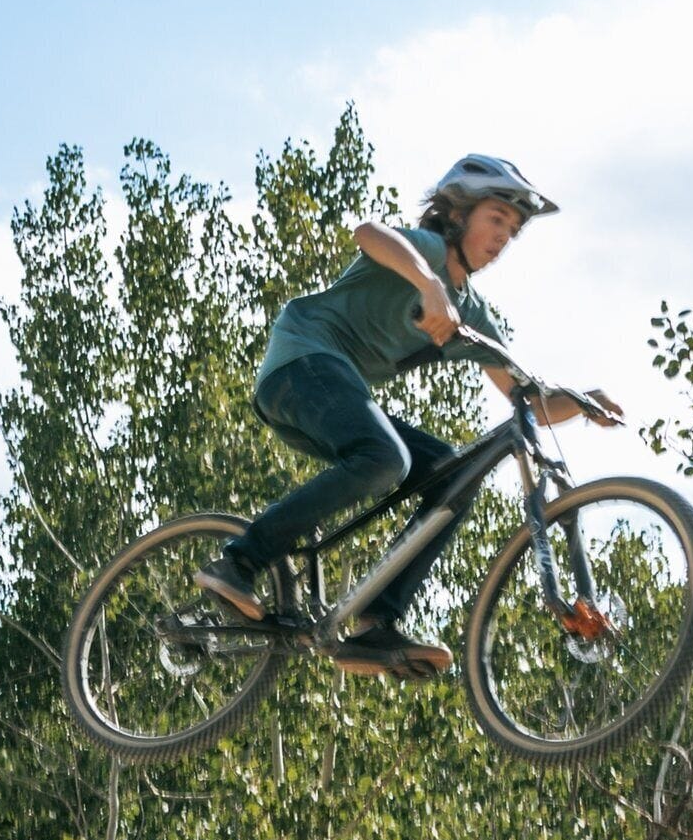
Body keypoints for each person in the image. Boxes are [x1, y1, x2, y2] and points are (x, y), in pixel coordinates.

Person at [196, 153, 626, 677]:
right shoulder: (423, 250)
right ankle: (239, 560)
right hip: (300, 364)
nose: (502, 239)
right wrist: (428, 283)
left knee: (451, 474)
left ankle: (374, 624)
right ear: (459, 214)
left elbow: (525, 400)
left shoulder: (471, 314)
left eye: (512, 232)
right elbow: (369, 232)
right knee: (386, 459)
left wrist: (580, 402)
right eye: (496, 220)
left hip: (335, 397)